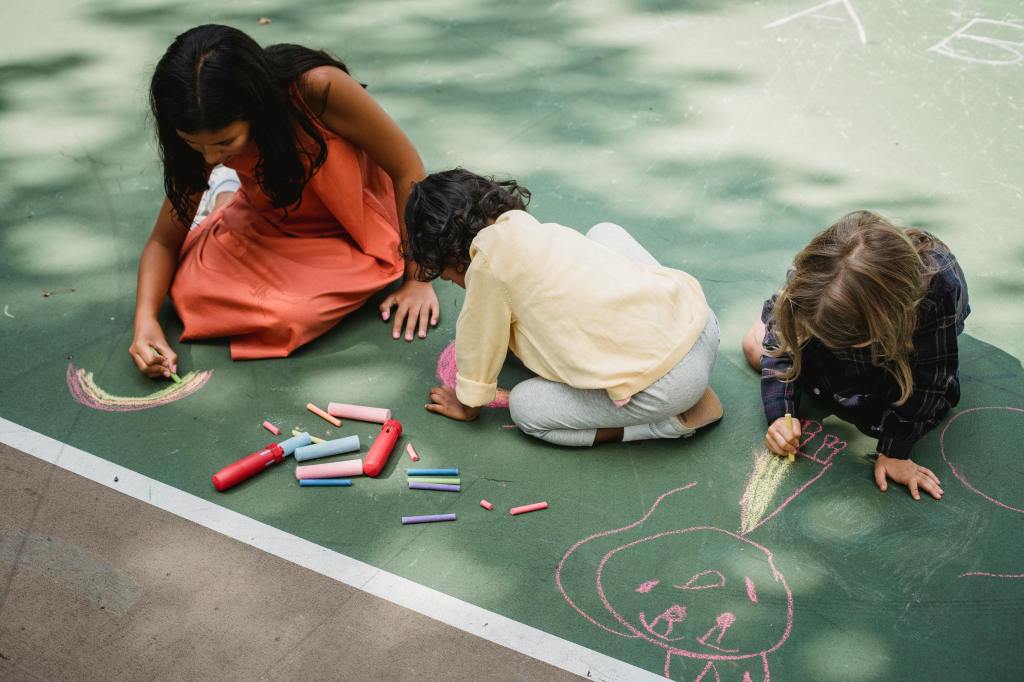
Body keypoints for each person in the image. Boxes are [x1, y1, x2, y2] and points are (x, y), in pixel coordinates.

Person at [130, 24, 438, 378]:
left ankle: (224, 200)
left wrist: (418, 279)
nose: (209, 159)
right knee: (186, 287)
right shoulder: (198, 142)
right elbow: (164, 241)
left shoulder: (318, 88)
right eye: (194, 145)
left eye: (224, 144)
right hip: (272, 215)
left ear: (256, 108)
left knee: (291, 315)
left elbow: (407, 169)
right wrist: (145, 321)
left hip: (349, 225)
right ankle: (226, 197)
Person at [404, 168, 723, 447]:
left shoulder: (485, 266)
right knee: (603, 233)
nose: (457, 284)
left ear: (451, 260)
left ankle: (668, 425)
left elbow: (478, 343)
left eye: (448, 278)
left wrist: (469, 404)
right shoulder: (525, 226)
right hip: (699, 322)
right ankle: (677, 379)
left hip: (669, 386)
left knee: (527, 409)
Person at [741, 210, 970, 501]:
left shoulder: (938, 292)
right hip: (856, 322)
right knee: (754, 346)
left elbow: (933, 384)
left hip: (903, 345)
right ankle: (820, 345)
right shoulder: (814, 281)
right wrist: (781, 413)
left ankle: (857, 361)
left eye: (844, 342)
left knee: (876, 403)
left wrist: (894, 451)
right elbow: (781, 338)